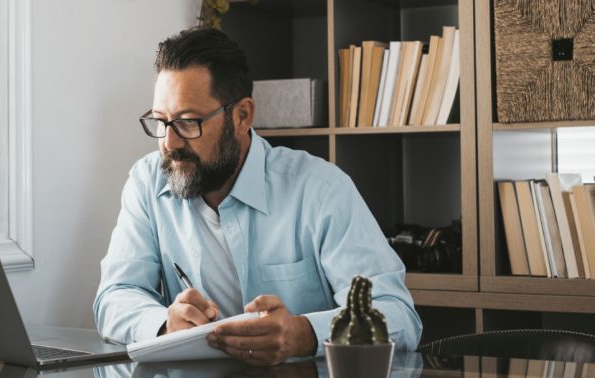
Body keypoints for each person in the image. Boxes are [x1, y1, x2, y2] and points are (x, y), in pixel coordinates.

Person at [94, 27, 422, 366]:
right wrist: (164, 323)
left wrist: (305, 334)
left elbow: (397, 315)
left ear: (242, 116)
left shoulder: (321, 189)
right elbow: (115, 296)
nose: (170, 143)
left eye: (189, 122)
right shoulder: (148, 181)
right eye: (161, 122)